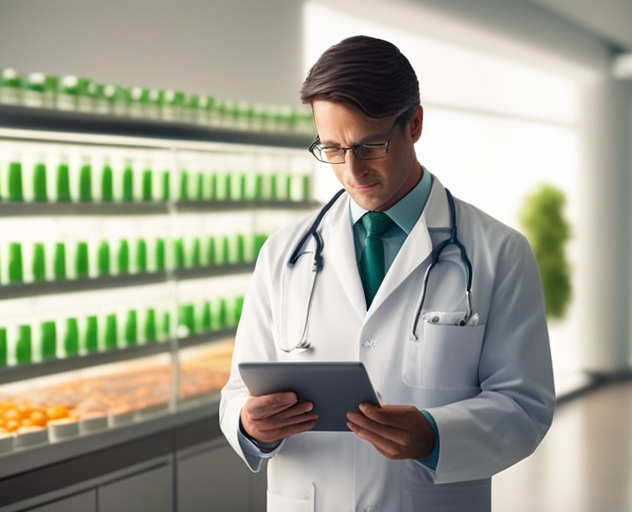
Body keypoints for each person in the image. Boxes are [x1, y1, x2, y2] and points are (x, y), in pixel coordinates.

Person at [219, 35, 555, 512]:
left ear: (414, 123)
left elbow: (525, 407)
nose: (352, 170)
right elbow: (236, 390)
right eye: (332, 149)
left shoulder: (499, 251)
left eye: (368, 145)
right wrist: (249, 424)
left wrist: (435, 435)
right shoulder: (284, 254)